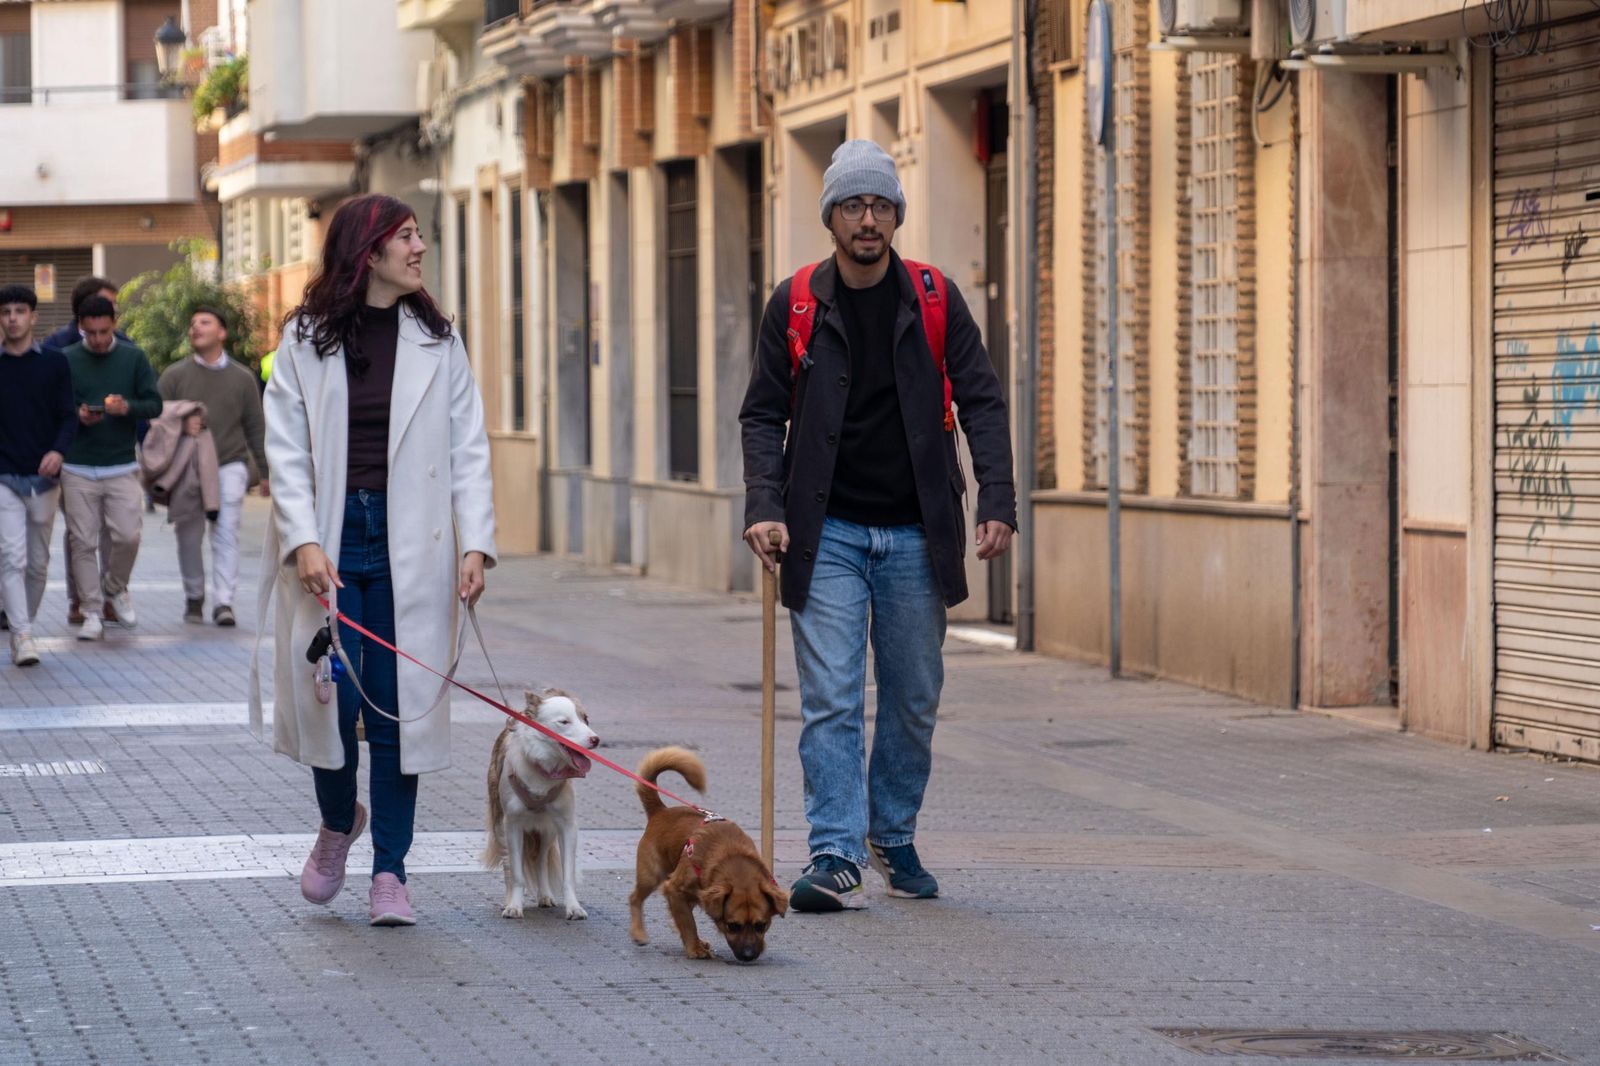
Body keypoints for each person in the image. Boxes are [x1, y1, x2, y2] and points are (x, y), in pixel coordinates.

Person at [739, 140, 1016, 912]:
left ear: (896, 214)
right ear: (830, 215)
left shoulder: (933, 297)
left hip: (915, 534)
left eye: (882, 206)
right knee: (830, 696)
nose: (869, 219)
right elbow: (763, 412)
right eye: (855, 206)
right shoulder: (796, 303)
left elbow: (983, 400)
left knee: (911, 694)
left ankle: (891, 834)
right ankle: (833, 850)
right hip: (824, 533)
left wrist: (998, 498)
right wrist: (764, 503)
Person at [253, 193, 496, 927]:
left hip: (411, 545)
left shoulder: (437, 337)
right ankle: (337, 823)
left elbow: (469, 447)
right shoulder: (305, 338)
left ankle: (391, 871)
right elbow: (287, 451)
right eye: (407, 238)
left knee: (402, 713)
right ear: (369, 253)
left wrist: (476, 540)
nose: (420, 249)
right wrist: (301, 540)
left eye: (420, 236)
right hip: (328, 545)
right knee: (337, 705)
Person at [158, 306, 269, 626]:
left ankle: (224, 602)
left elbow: (255, 425)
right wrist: (180, 425)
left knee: (226, 532)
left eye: (204, 322)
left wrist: (264, 472)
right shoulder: (174, 375)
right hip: (187, 467)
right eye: (192, 324)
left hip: (230, 464)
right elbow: (155, 419)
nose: (196, 328)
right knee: (188, 534)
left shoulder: (242, 378)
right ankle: (194, 596)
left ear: (222, 332)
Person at [59, 296, 161, 642]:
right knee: (82, 542)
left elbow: (155, 404)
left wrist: (126, 407)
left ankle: (115, 587)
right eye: (91, 333)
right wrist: (78, 415)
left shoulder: (134, 357)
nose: (99, 339)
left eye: (104, 331)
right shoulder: (68, 359)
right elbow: (55, 405)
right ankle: (90, 611)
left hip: (121, 463)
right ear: (80, 328)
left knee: (129, 534)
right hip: (76, 465)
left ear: (114, 323)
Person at [44, 276, 129, 625]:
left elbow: (143, 396)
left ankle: (110, 594)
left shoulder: (124, 346)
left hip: (115, 457)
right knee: (80, 533)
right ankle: (79, 598)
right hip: (72, 455)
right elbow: (46, 400)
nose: (111, 312)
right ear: (83, 313)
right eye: (105, 303)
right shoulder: (57, 347)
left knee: (118, 531)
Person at [0, 285, 75, 666]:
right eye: (6, 312)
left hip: (45, 477)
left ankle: (21, 622)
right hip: (4, 477)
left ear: (33, 317)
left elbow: (68, 414)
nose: (12, 318)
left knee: (38, 562)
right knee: (11, 557)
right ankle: (23, 636)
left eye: (19, 311)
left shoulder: (55, 363)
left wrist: (58, 451)